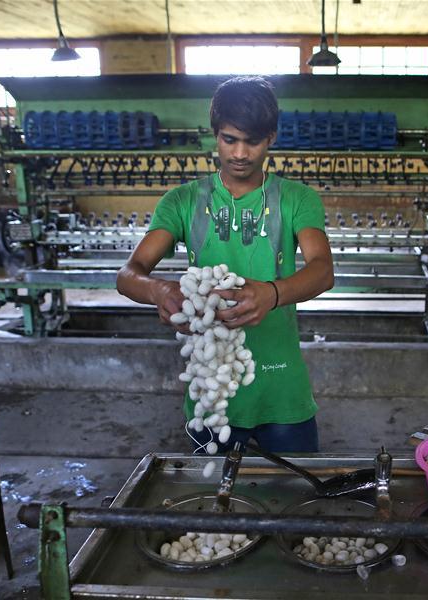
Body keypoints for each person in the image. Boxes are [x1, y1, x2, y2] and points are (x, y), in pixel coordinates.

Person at [116, 76, 334, 453]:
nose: (240, 154)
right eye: (229, 139)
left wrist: (273, 293)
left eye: (253, 141)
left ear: (271, 138)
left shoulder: (296, 199)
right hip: (211, 394)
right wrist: (159, 290)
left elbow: (322, 270)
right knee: (213, 499)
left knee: (293, 498)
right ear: (214, 135)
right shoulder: (183, 201)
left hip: (281, 391)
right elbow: (129, 273)